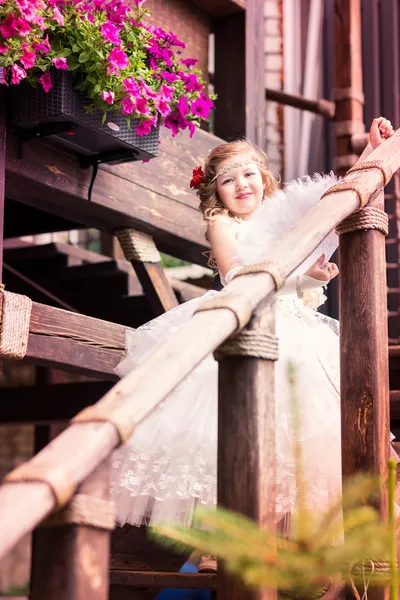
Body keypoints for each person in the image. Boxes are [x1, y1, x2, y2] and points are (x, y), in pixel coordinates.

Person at [110, 117, 395, 572]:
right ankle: (217, 542)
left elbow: (332, 209)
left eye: (248, 175)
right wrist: (300, 277)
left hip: (292, 326)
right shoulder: (223, 225)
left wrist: (369, 154)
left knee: (299, 432)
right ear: (216, 193)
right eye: (228, 180)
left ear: (264, 179)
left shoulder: (284, 218)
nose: (241, 186)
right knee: (221, 430)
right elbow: (237, 277)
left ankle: (287, 541)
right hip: (242, 319)